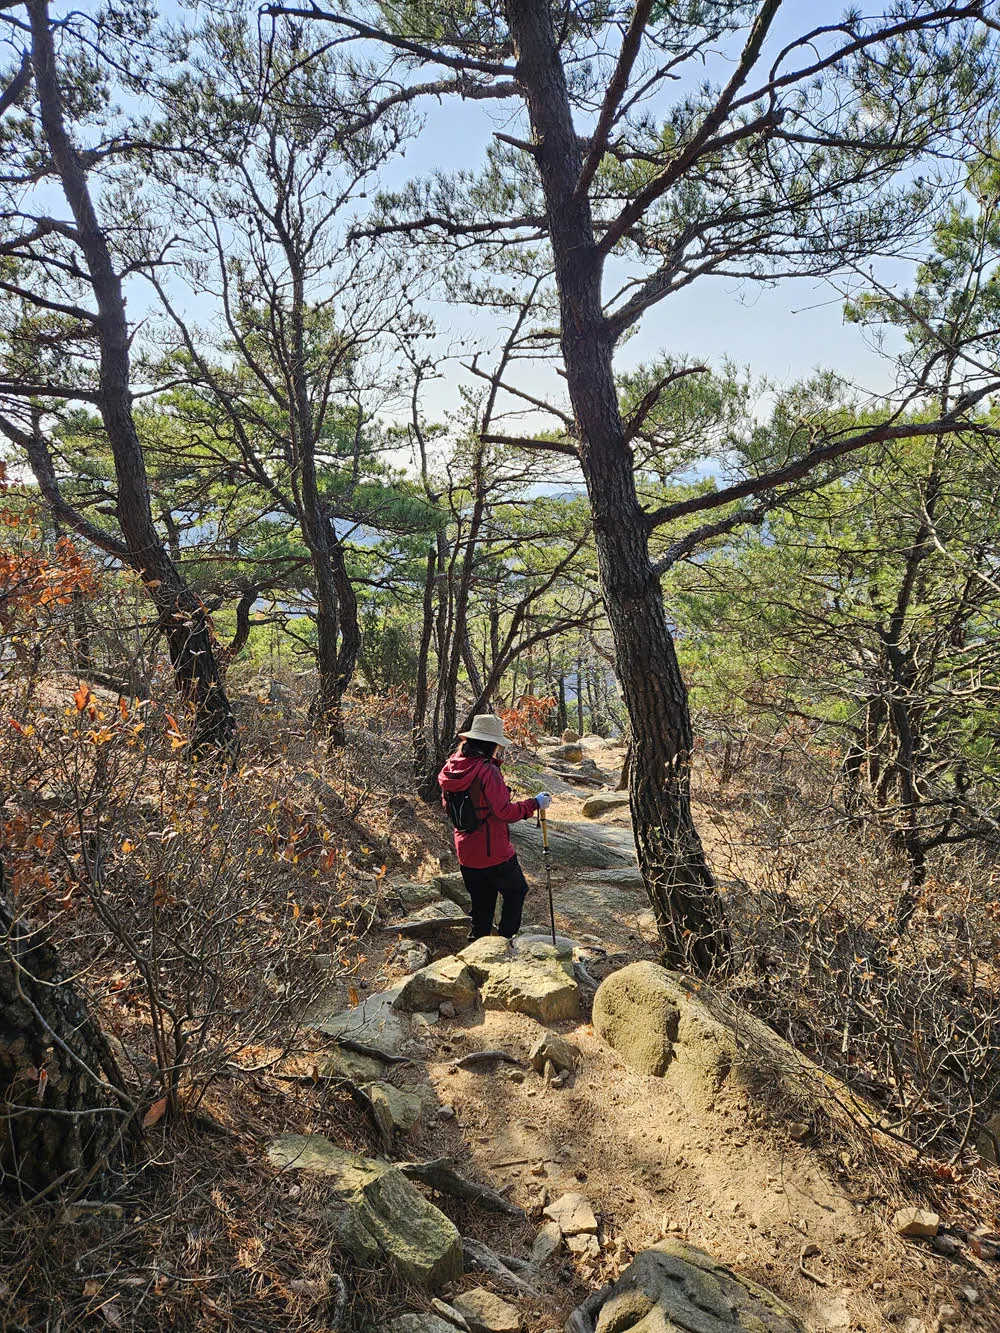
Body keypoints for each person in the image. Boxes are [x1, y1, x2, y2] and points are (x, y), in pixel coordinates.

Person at [438, 715, 551, 941]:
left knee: (482, 903)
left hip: (465, 850)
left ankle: (477, 947)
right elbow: (505, 812)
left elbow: (447, 805)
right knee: (516, 890)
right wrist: (534, 803)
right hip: (494, 852)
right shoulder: (487, 770)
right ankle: (506, 940)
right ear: (492, 744)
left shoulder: (452, 766)